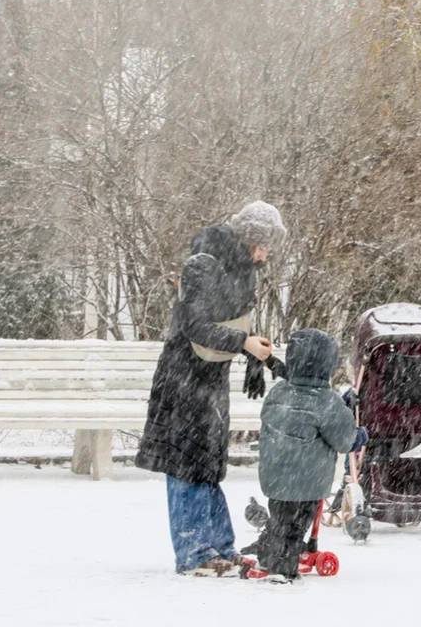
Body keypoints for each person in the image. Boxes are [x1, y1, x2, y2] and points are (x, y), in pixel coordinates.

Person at [135, 200, 287, 576]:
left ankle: (220, 545)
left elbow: (235, 322)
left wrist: (257, 359)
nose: (266, 254)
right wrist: (244, 344)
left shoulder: (244, 270)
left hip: (212, 375)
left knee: (208, 462)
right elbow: (195, 326)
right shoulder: (204, 261)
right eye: (264, 243)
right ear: (251, 237)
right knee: (185, 462)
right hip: (184, 375)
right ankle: (192, 553)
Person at [251, 329, 361, 583]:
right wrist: (360, 435)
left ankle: (268, 555)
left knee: (280, 520)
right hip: (307, 481)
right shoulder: (328, 402)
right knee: (293, 528)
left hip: (275, 478)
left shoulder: (278, 393)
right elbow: (344, 440)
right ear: (328, 366)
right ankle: (281, 569)